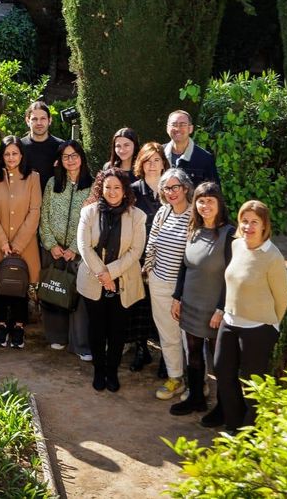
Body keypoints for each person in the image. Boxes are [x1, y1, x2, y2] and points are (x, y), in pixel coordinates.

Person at [213, 200, 287, 433]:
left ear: (265, 225)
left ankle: (251, 432)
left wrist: (271, 325)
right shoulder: (236, 246)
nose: (248, 227)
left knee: (251, 381)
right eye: (244, 221)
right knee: (222, 371)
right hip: (231, 320)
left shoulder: (272, 256)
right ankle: (234, 424)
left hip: (258, 328)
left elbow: (282, 298)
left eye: (254, 222)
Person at [77, 168, 148, 392]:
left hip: (124, 280)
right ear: (101, 188)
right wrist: (102, 274)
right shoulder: (88, 212)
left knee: (117, 330)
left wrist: (111, 273)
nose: (112, 191)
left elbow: (136, 251)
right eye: (108, 187)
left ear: (125, 190)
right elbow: (84, 246)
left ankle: (112, 370)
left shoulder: (137, 216)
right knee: (97, 328)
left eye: (117, 187)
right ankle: (99, 369)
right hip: (93, 279)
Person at [170, 181, 235, 418]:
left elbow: (232, 276)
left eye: (210, 201)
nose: (205, 205)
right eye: (200, 200)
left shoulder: (230, 234)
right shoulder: (193, 230)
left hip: (215, 310)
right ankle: (196, 398)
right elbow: (184, 267)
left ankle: (223, 407)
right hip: (191, 304)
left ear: (219, 203)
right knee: (194, 354)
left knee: (219, 363)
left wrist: (221, 308)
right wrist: (177, 297)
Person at [0, 135, 42, 349]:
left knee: (19, 284)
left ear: (21, 155)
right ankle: (2, 324)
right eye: (7, 153)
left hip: (25, 243)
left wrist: (18, 244)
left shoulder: (33, 178)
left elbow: (35, 212)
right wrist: (3, 242)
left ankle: (19, 325)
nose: (11, 157)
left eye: (15, 153)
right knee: (1, 284)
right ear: (1, 156)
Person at [39, 140, 93, 357]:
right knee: (54, 290)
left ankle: (80, 344)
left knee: (78, 299)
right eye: (65, 156)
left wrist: (74, 248)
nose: (70, 160)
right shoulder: (53, 183)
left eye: (74, 155)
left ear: (81, 157)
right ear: (60, 160)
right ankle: (56, 336)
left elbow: (92, 221)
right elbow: (44, 215)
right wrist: (51, 244)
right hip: (53, 249)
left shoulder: (92, 185)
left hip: (78, 251)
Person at [146, 168, 195, 401]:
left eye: (176, 187)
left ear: (185, 188)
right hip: (159, 283)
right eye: (167, 188)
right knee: (167, 335)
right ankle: (175, 377)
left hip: (185, 287)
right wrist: (149, 271)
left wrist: (183, 292)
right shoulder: (163, 213)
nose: (171, 192)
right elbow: (152, 244)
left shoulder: (196, 215)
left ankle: (197, 383)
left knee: (190, 337)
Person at [128, 142, 170, 371]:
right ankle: (142, 350)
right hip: (140, 256)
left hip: (167, 259)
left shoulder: (173, 188)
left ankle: (167, 356)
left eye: (156, 160)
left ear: (164, 163)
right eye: (147, 160)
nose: (152, 165)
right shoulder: (133, 190)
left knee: (163, 309)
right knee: (140, 306)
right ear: (140, 164)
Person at [164, 110, 219, 188]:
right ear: (167, 128)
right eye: (174, 124)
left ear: (190, 128)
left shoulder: (205, 158)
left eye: (182, 125)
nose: (177, 128)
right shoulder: (158, 154)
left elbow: (214, 193)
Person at [19, 101, 64, 193]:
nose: (39, 123)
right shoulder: (19, 147)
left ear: (49, 120)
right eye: (34, 119)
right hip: (26, 202)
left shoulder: (61, 146)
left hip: (54, 201)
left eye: (43, 118)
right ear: (28, 121)